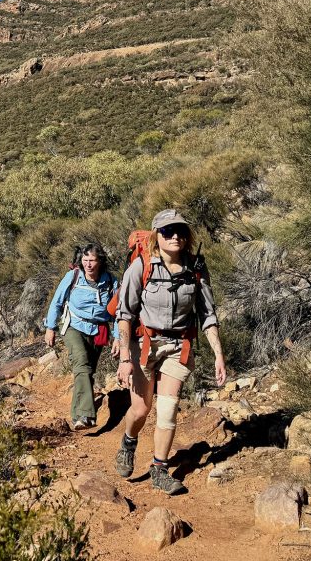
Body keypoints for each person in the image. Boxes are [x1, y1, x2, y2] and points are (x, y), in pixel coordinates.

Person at [114, 209, 226, 494]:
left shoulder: (196, 269)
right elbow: (125, 315)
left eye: (180, 231)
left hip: (179, 346)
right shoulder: (141, 267)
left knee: (167, 408)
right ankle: (129, 440)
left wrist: (218, 355)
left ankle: (159, 469)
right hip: (144, 346)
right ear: (156, 236)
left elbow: (208, 315)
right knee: (141, 409)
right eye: (167, 231)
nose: (175, 236)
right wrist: (125, 359)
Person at [44, 244, 119, 430]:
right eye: (85, 260)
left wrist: (118, 337)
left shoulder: (111, 281)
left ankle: (78, 416)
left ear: (100, 261)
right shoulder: (74, 276)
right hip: (74, 326)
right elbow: (57, 302)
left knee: (86, 372)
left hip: (98, 330)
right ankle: (86, 415)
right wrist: (50, 327)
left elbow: (120, 312)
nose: (88, 264)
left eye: (92, 260)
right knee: (82, 364)